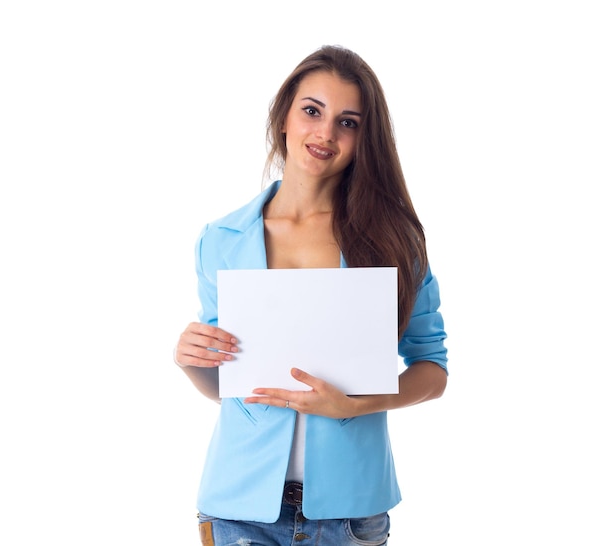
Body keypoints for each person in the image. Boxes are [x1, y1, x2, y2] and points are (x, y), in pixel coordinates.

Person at [174, 44, 448, 546]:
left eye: (348, 122)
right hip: (239, 506)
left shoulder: (394, 241)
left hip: (350, 511)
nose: (325, 133)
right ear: (284, 117)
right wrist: (192, 359)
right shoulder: (221, 239)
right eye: (312, 111)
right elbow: (232, 386)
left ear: (366, 138)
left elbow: (432, 371)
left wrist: (356, 405)